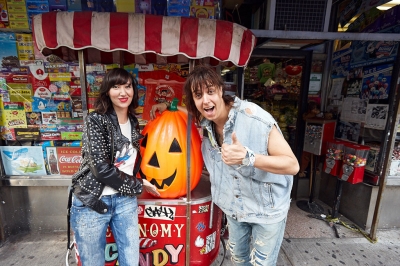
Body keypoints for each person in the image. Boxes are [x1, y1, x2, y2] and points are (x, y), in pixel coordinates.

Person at [150, 65, 299, 266]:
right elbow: (198, 113)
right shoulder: (207, 120)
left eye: (210, 92)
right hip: (234, 209)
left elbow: (292, 165)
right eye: (198, 95)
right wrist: (170, 107)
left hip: (266, 211)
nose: (206, 100)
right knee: (238, 261)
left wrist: (249, 157)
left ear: (221, 90)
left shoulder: (254, 118)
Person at [70, 68, 159, 266]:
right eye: (116, 87)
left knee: (131, 259)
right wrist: (139, 184)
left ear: (134, 91)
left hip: (125, 201)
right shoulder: (95, 120)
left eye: (127, 86)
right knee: (93, 262)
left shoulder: (133, 122)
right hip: (92, 201)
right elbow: (101, 169)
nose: (122, 92)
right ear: (107, 92)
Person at [298, 101, 321, 178]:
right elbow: (305, 117)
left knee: (314, 155)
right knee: (305, 155)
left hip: (315, 138)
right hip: (307, 138)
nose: (314, 110)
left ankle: (314, 168)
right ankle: (302, 170)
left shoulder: (319, 115)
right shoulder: (307, 115)